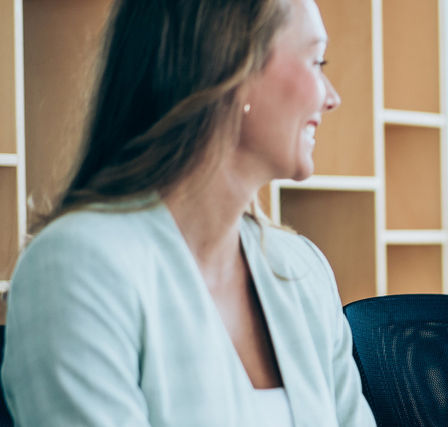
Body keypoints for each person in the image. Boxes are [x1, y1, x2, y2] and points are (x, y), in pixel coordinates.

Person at [1, 0, 374, 425]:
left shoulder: (302, 271)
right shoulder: (76, 267)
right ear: (232, 67)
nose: (332, 97)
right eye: (316, 61)